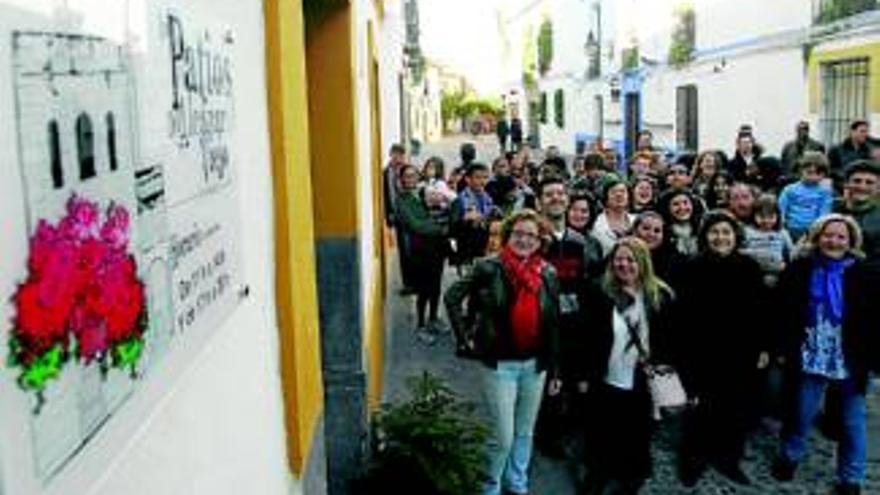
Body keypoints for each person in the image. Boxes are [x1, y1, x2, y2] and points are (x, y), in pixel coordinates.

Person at [444, 210, 562, 495]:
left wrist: (556, 368)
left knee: (525, 431)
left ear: (540, 240)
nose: (524, 240)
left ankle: (517, 483)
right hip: (499, 365)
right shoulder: (489, 267)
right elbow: (451, 297)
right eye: (518, 233)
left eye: (531, 235)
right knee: (503, 436)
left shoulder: (547, 272)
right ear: (508, 235)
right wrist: (464, 340)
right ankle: (490, 486)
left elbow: (553, 323)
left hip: (535, 365)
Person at [772, 214, 879, 495]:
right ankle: (790, 455)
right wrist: (782, 348)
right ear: (818, 237)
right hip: (810, 354)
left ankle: (851, 477)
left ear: (851, 241)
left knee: (852, 421)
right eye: (828, 235)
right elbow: (782, 310)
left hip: (849, 357)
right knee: (801, 412)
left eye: (841, 236)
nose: (834, 241)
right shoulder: (800, 268)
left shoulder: (865, 273)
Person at [576, 237, 675, 494]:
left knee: (637, 434)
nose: (624, 264)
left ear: (642, 262)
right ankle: (597, 473)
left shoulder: (659, 295)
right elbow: (585, 336)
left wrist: (666, 375)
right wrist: (584, 374)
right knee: (601, 430)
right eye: (619, 258)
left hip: (643, 380)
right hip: (606, 376)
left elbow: (670, 341)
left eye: (631, 259)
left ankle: (631, 477)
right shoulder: (599, 291)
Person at [676, 211, 767, 487]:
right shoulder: (692, 266)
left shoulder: (749, 267)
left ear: (735, 236)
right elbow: (683, 313)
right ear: (705, 237)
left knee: (734, 407)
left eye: (726, 232)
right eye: (714, 232)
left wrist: (763, 346)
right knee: (699, 407)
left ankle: (728, 458)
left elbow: (760, 310)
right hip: (701, 350)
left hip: (739, 351)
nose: (720, 238)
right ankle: (693, 459)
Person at [534, 177, 602, 457]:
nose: (556, 198)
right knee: (545, 380)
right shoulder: (532, 239)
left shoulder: (582, 241)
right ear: (540, 201)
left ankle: (565, 430)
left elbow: (592, 280)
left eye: (560, 193)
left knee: (571, 378)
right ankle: (543, 435)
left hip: (574, 320)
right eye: (549, 194)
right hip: (540, 321)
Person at [395, 165, 449, 342]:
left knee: (436, 285)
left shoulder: (423, 192)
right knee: (423, 288)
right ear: (402, 179)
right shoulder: (401, 201)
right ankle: (420, 325)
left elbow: (441, 209)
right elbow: (416, 225)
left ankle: (433, 318)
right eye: (407, 176)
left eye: (414, 175)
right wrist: (440, 228)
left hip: (437, 247)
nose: (411, 179)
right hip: (420, 249)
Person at [741, 194, 794, 288]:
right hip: (754, 272)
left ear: (777, 216)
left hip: (777, 272)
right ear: (754, 215)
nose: (766, 220)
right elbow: (741, 252)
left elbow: (791, 253)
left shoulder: (782, 233)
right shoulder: (747, 232)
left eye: (771, 217)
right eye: (761, 216)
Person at [779, 152, 834, 242]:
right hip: (790, 228)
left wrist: (817, 229)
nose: (813, 177)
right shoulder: (790, 189)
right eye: (809, 172)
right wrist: (781, 225)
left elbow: (824, 213)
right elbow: (781, 208)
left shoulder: (825, 192)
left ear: (824, 175)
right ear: (801, 170)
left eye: (817, 173)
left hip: (812, 231)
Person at [449, 163, 495, 270]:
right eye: (478, 177)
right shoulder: (459, 201)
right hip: (466, 251)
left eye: (485, 177)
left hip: (483, 248)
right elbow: (452, 230)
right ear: (468, 179)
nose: (482, 181)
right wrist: (465, 220)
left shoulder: (488, 199)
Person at [383, 144, 415, 294]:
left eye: (401, 155)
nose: (398, 158)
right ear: (390, 154)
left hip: (412, 215)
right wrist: (389, 215)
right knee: (404, 251)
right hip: (398, 217)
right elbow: (386, 196)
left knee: (414, 249)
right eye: (395, 154)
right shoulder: (386, 173)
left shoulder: (408, 170)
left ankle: (416, 282)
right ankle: (408, 283)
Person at [834, 160, 880, 260]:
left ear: (878, 188)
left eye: (869, 182)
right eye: (857, 181)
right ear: (846, 184)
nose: (862, 187)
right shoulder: (829, 208)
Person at [592, 175, 635, 256]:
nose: (619, 195)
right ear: (606, 197)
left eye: (623, 191)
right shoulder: (596, 223)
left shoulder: (636, 220)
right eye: (613, 192)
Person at [828, 120, 875, 192]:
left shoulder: (868, 150)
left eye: (866, 132)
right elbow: (830, 170)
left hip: (863, 188)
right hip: (841, 188)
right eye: (862, 131)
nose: (865, 134)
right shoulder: (836, 150)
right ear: (852, 132)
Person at [657, 188, 703, 259]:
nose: (682, 207)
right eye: (676, 204)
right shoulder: (662, 234)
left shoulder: (702, 229)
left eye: (685, 203)